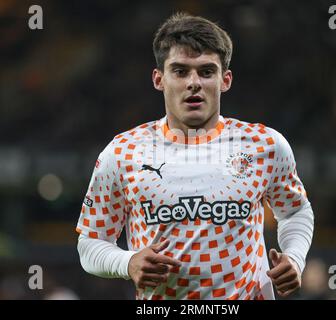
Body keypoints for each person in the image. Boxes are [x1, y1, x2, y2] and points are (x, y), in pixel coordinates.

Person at [76, 12, 314, 300]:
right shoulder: (122, 152)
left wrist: (295, 257)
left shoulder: (265, 145)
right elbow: (91, 243)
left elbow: (295, 211)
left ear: (225, 80)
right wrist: (126, 262)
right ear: (158, 79)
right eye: (180, 71)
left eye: (206, 71)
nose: (194, 83)